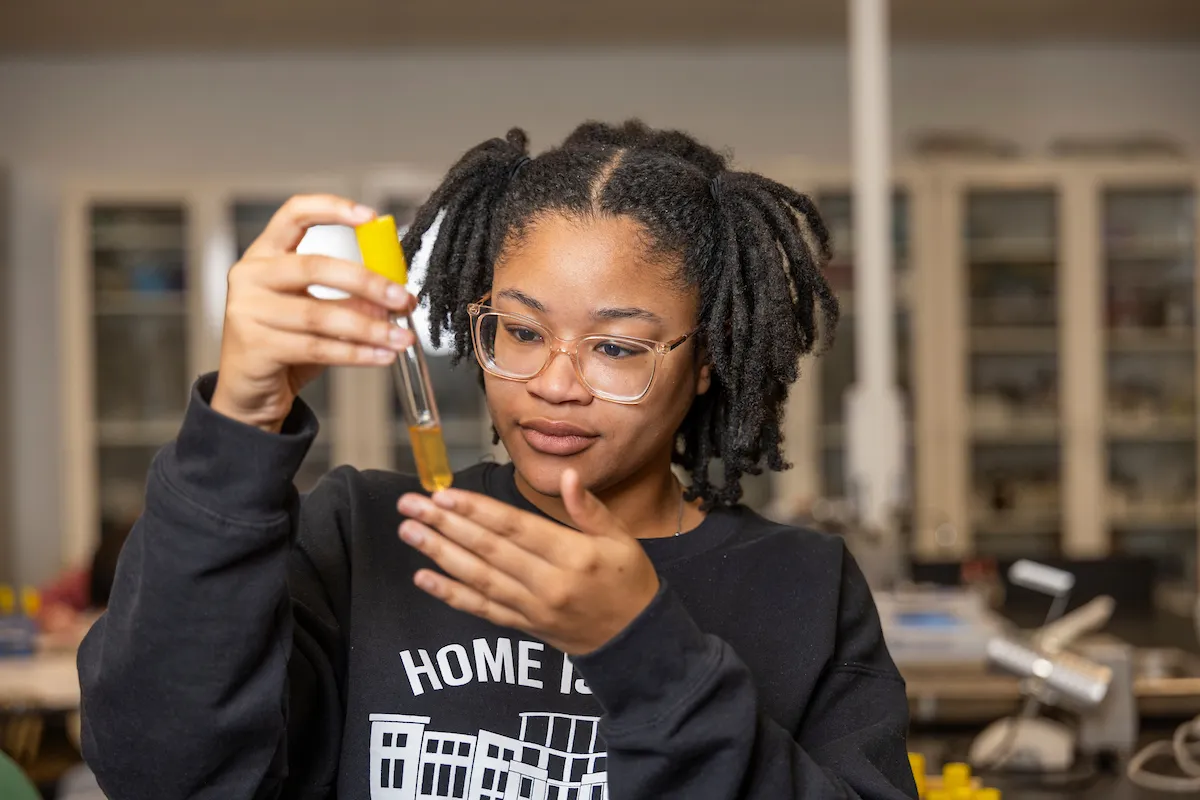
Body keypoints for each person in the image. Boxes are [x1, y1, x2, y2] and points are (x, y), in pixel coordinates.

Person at [77, 121, 919, 799]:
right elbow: (159, 769)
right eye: (519, 331)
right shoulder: (364, 537)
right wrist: (236, 429)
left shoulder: (801, 588)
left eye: (617, 347)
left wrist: (643, 652)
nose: (553, 384)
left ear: (705, 362)